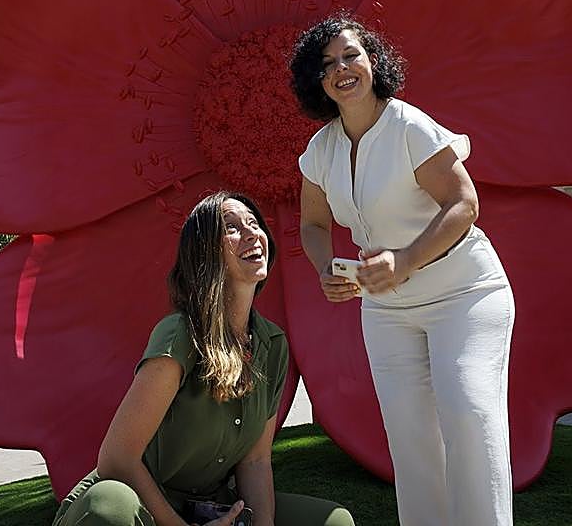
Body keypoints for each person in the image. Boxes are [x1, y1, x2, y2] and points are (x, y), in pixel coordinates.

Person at [289, 17, 515, 526]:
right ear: (316, 82)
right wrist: (329, 268)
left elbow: (464, 204)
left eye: (351, 56)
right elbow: (313, 224)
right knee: (410, 438)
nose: (341, 70)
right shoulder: (319, 152)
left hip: (465, 292)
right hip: (388, 310)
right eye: (327, 66)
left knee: (469, 413)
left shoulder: (409, 126)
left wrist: (406, 260)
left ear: (373, 61)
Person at [52, 191, 354, 526]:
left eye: (254, 224)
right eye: (232, 227)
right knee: (110, 505)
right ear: (205, 251)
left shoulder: (273, 344)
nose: (253, 233)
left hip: (212, 506)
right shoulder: (180, 335)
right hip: (139, 504)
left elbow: (254, 462)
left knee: (333, 521)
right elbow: (117, 460)